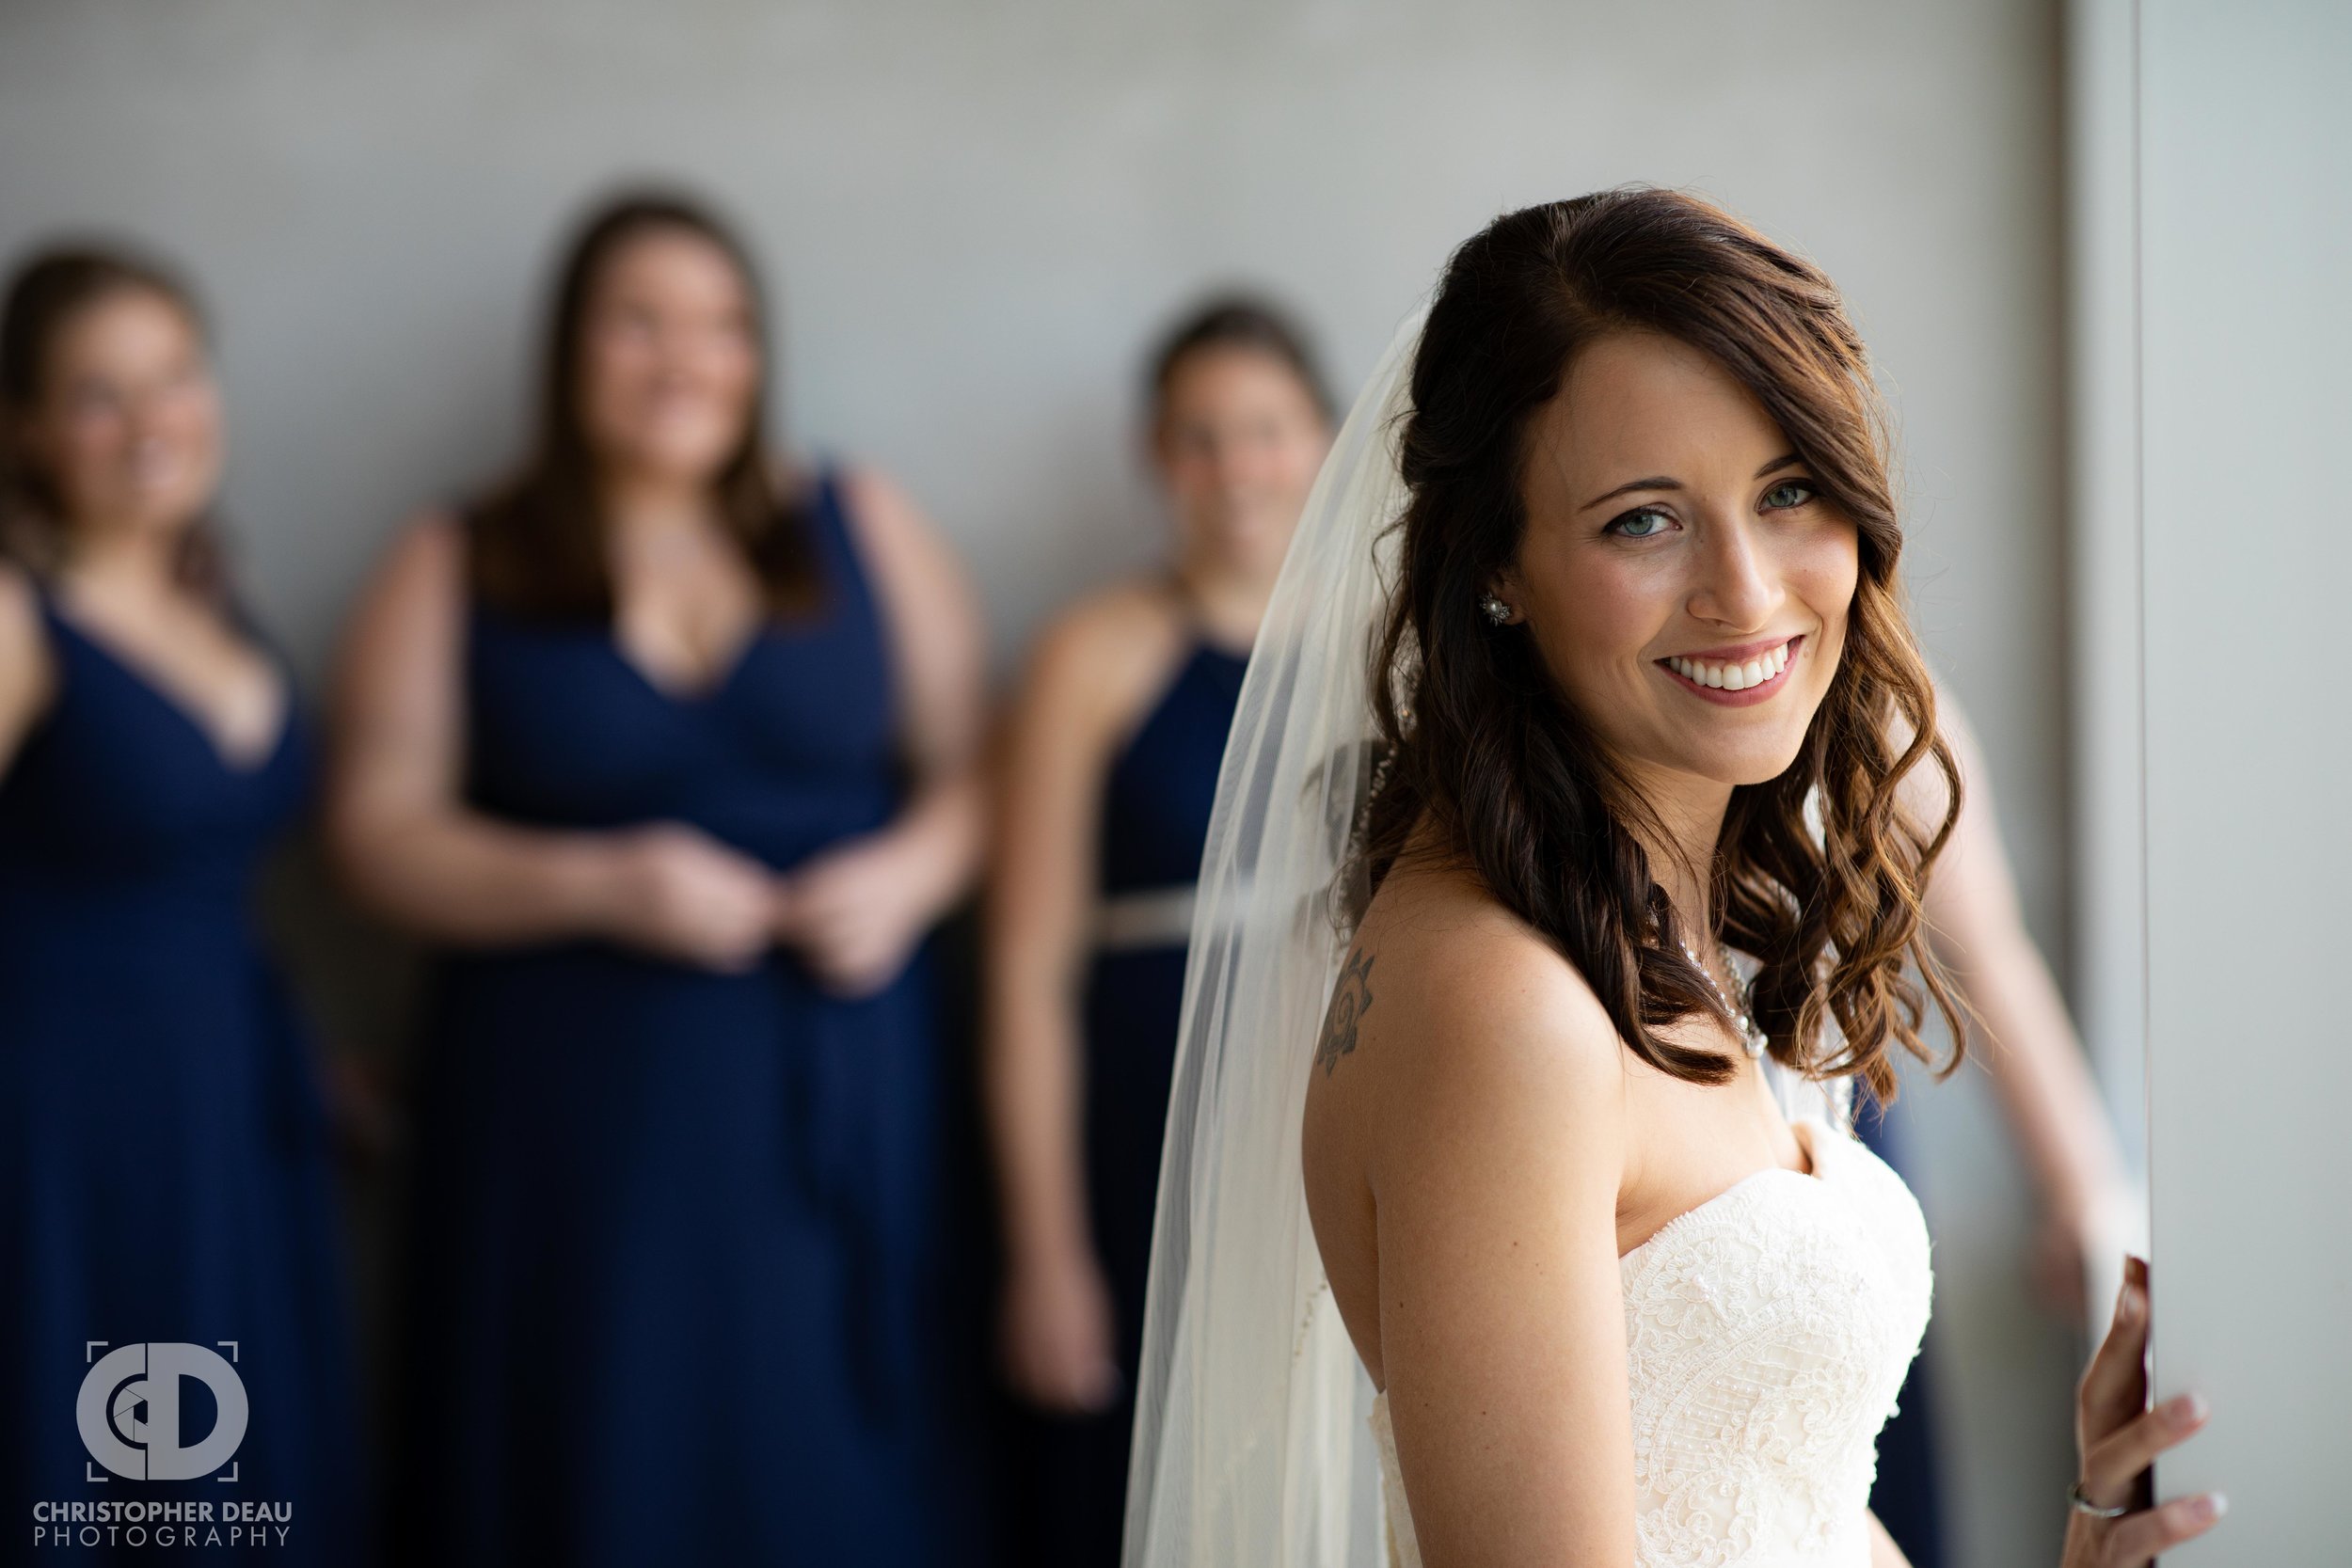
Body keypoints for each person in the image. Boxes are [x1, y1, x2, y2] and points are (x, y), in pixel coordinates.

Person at [1121, 189, 2217, 1568]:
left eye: (1789, 489)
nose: (1749, 592)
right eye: (1644, 522)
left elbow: (1778, 1512)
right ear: (1499, 571)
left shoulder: (1661, 913)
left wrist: (2085, 1546)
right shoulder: (1503, 1008)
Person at [327, 192, 987, 1565]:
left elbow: (980, 771)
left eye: (722, 325)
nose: (685, 359)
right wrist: (598, 882)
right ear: (569, 350)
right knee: (597, 1470)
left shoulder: (854, 521)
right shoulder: (462, 556)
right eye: (640, 322)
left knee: (835, 1476)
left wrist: (911, 877)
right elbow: (376, 833)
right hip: (577, 1133)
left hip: (839, 1106)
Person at [0, 246, 359, 1563]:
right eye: (99, 395)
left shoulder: (213, 600)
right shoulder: (17, 618)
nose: (153, 423)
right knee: (119, 1481)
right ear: (25, 430)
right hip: (72, 1124)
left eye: (175, 378)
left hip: (229, 1106)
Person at [983, 297, 1333, 1563]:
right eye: (1200, 437)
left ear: (1326, 440)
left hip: (1339, 1098)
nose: (1237, 468)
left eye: (1266, 431)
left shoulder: (1394, 647)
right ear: (1156, 456)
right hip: (1145, 1122)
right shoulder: (1091, 654)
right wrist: (1046, 1250)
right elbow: (1025, 971)